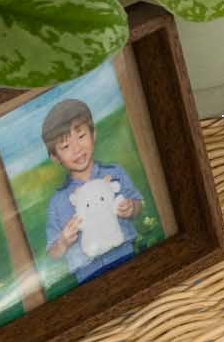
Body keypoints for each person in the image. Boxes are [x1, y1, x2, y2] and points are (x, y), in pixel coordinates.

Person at [42, 98, 146, 281]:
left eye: (81, 136)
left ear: (93, 134)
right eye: (65, 146)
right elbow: (53, 253)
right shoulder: (57, 202)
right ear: (55, 157)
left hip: (124, 256)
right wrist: (64, 241)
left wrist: (132, 207)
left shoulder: (115, 173)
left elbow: (138, 205)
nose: (77, 149)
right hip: (88, 274)